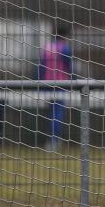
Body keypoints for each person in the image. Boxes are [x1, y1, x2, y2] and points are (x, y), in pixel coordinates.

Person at [38, 23, 72, 151]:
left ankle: (51, 140)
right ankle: (54, 140)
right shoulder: (65, 48)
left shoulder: (47, 47)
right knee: (58, 113)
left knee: (51, 113)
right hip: (61, 83)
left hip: (47, 83)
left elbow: (41, 66)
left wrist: (40, 83)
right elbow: (69, 67)